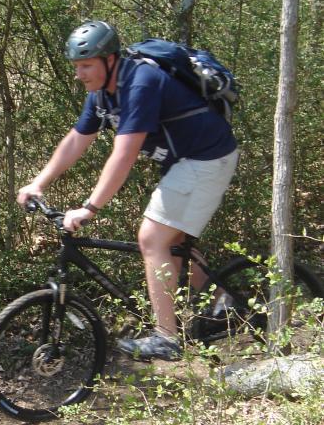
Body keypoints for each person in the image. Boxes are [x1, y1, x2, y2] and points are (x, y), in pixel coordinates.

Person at [17, 20, 239, 361]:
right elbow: (78, 139)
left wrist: (89, 208)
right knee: (173, 243)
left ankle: (166, 337)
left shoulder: (141, 82)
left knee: (151, 238)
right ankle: (225, 305)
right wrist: (39, 182)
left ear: (110, 59)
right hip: (183, 162)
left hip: (206, 157)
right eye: (76, 66)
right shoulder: (102, 93)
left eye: (86, 65)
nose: (80, 74)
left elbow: (125, 153)